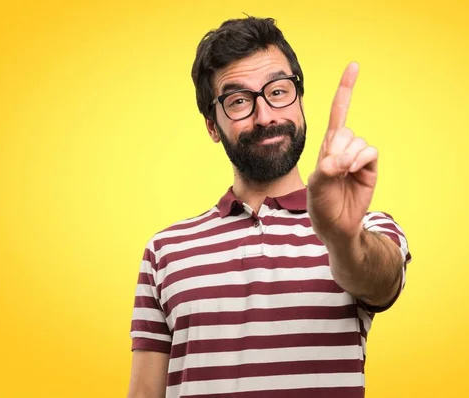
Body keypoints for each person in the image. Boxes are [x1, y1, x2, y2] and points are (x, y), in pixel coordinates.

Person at [127, 16, 412, 398]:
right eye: (239, 101)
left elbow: (379, 280)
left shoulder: (366, 229)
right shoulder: (165, 251)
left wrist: (342, 236)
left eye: (278, 92)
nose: (266, 117)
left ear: (299, 101)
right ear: (213, 125)